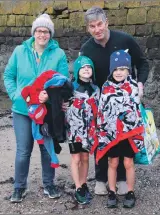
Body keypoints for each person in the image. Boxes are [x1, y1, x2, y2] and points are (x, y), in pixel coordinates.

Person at [80, 6, 149, 196]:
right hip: (102, 103)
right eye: (92, 26)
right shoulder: (86, 48)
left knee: (125, 138)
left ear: (106, 22)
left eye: (100, 24)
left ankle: (122, 179)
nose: (97, 29)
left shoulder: (124, 39)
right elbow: (83, 74)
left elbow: (142, 63)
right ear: (88, 29)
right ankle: (101, 179)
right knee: (102, 138)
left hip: (127, 100)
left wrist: (140, 85)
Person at [4, 13, 69, 203]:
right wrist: (16, 96)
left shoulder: (58, 55)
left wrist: (50, 96)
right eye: (39, 30)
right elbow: (8, 76)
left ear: (51, 34)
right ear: (34, 32)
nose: (42, 34)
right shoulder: (19, 51)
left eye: (46, 31)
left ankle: (49, 184)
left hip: (47, 111)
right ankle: (19, 187)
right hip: (22, 110)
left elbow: (64, 84)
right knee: (23, 150)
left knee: (45, 148)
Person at [96, 50, 145, 208]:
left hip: (129, 133)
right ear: (111, 70)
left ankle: (130, 192)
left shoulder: (133, 87)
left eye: (122, 69)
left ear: (128, 70)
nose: (119, 72)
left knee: (129, 162)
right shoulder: (105, 87)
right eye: (116, 69)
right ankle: (112, 191)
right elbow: (102, 111)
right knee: (113, 162)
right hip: (111, 133)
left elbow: (137, 112)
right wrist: (102, 131)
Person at [65, 56, 100, 204]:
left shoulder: (96, 89)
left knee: (85, 158)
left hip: (89, 131)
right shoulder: (69, 88)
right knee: (76, 158)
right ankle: (78, 187)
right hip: (74, 131)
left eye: (89, 67)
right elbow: (57, 101)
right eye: (83, 67)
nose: (86, 69)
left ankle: (84, 183)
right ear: (77, 70)